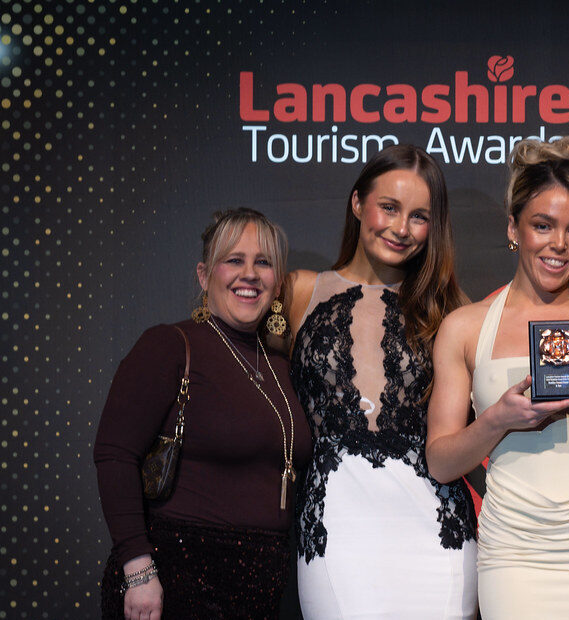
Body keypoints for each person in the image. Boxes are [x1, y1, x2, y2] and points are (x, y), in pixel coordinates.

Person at [427, 137, 569, 619]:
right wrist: (498, 420)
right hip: (514, 551)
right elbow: (441, 462)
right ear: (514, 228)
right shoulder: (464, 328)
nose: (559, 244)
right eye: (542, 225)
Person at [287, 144, 478, 619]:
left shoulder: (453, 311)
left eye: (419, 216)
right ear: (357, 203)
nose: (401, 228)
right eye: (389, 207)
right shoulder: (298, 293)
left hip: (437, 534)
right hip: (335, 533)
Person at [94, 208, 314, 619]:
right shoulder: (170, 346)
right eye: (234, 260)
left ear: (278, 283)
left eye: (263, 262)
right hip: (176, 578)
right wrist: (138, 571)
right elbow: (114, 455)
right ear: (204, 275)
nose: (249, 274)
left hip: (263, 585)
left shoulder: (284, 367)